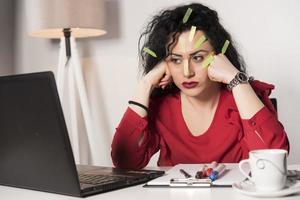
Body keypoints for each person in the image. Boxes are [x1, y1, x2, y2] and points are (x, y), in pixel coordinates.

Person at [111, 3, 289, 169]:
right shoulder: (162, 108)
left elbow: (272, 161)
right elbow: (124, 161)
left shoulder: (244, 98)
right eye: (176, 60)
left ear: (219, 57)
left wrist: (236, 79)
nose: (187, 72)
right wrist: (145, 84)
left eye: (198, 57)